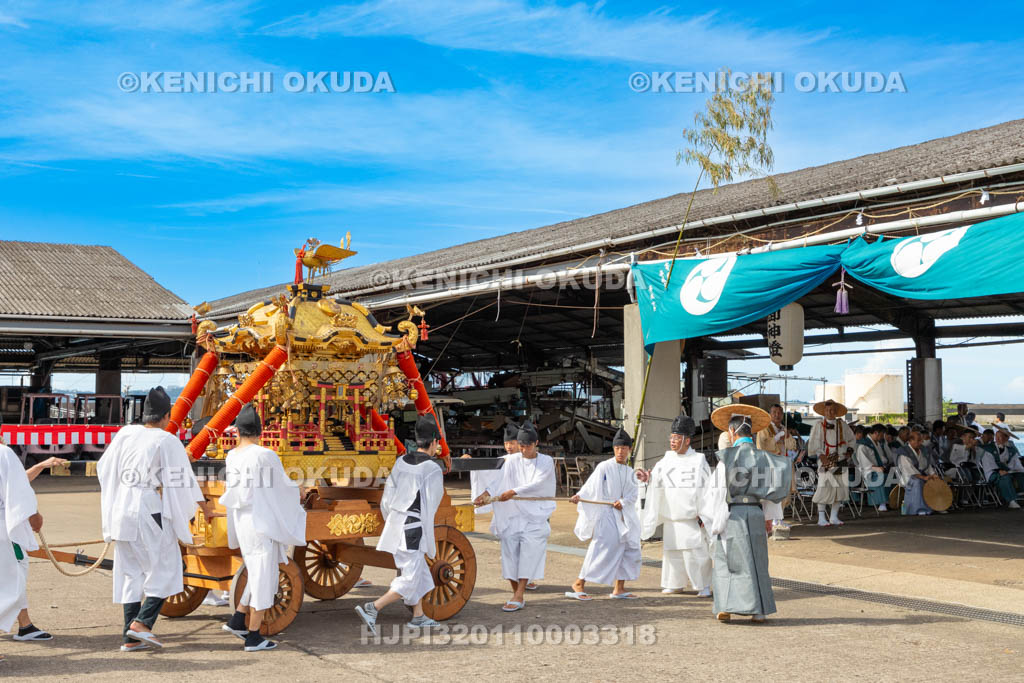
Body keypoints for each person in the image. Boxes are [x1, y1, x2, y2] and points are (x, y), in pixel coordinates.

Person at [97, 387, 211, 652]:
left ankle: (129, 637)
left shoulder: (126, 433)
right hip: (147, 506)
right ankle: (142, 623)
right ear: (167, 416)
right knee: (166, 565)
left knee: (131, 572)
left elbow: (103, 467)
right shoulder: (166, 439)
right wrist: (203, 507)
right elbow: (182, 481)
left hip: (121, 506)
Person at [219, 404, 306, 651]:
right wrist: (298, 490)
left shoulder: (232, 455)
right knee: (263, 576)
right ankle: (254, 635)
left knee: (257, 571)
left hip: (243, 521)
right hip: (260, 522)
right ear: (260, 431)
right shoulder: (264, 455)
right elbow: (281, 486)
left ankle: (238, 619)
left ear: (237, 432)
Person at [356, 415, 446, 634]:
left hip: (396, 523)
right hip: (413, 528)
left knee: (419, 572)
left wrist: (392, 521)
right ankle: (373, 607)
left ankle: (419, 616)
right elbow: (431, 505)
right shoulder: (432, 469)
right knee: (411, 576)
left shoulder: (401, 461)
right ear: (434, 442)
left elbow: (387, 498)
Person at [706, 405, 791, 623]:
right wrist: (770, 518)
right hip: (755, 512)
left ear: (732, 433)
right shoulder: (765, 458)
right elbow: (771, 494)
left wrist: (715, 521)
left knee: (729, 561)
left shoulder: (727, 459)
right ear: (751, 433)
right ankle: (759, 610)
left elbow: (717, 493)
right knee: (756, 561)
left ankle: (725, 606)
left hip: (732, 513)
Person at [473, 421, 555, 612]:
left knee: (529, 553)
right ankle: (516, 592)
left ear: (536, 443)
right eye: (521, 446)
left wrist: (513, 491)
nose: (523, 450)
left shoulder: (546, 461)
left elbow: (538, 483)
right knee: (509, 553)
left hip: (535, 514)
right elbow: (497, 481)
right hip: (513, 514)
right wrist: (485, 494)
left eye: (527, 446)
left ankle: (519, 595)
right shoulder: (511, 460)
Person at [638, 414, 714, 597]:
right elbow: (656, 478)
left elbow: (707, 488)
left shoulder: (698, 460)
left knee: (695, 554)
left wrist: (704, 513)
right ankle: (674, 583)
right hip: (672, 516)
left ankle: (703, 585)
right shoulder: (666, 459)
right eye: (671, 437)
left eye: (677, 438)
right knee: (672, 553)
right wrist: (648, 478)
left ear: (687, 440)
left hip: (691, 516)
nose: (672, 441)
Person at [1, 446, 66, 654]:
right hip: (4, 530)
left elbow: (15, 483)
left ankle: (25, 625)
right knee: (12, 577)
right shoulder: (3, 453)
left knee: (13, 576)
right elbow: (19, 492)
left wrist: (40, 465)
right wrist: (34, 516)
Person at [566, 428, 641, 600]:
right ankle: (579, 582)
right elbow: (591, 487)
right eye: (617, 448)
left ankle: (619, 588)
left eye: (623, 448)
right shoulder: (604, 467)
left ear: (629, 449)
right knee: (601, 547)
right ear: (613, 449)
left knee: (630, 548)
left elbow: (633, 494)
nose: (620, 451)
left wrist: (622, 502)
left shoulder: (630, 472)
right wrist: (580, 496)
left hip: (625, 515)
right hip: (607, 514)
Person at [465, 422, 540, 592]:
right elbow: (493, 477)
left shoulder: (537, 460)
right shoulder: (505, 461)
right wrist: (472, 463)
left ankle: (525, 580)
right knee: (512, 547)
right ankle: (518, 586)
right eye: (506, 443)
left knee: (529, 546)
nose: (509, 446)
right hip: (509, 509)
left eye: (512, 443)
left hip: (530, 509)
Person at [808, 399, 855, 527]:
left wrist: (849, 452)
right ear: (824, 411)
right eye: (827, 410)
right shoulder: (818, 425)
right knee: (824, 487)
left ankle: (834, 517)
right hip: (826, 459)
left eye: (832, 410)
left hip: (841, 459)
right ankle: (821, 518)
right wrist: (821, 456)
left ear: (836, 412)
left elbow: (851, 439)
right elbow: (814, 443)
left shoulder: (842, 425)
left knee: (840, 488)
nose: (830, 412)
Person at [755, 404, 797, 530]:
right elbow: (762, 445)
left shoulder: (784, 428)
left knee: (784, 494)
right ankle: (771, 519)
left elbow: (792, 446)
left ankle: (779, 519)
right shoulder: (764, 428)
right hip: (770, 465)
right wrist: (777, 437)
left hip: (783, 464)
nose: (777, 415)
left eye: (779, 413)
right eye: (774, 412)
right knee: (772, 493)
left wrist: (787, 436)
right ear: (769, 414)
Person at [896, 428, 940, 515]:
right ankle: (919, 509)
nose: (921, 443)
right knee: (918, 482)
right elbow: (909, 470)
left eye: (921, 440)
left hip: (922, 475)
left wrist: (933, 474)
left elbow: (927, 466)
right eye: (918, 441)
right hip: (909, 478)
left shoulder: (922, 450)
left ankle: (937, 506)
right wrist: (924, 477)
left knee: (936, 480)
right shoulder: (904, 452)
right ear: (911, 440)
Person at [980, 428, 1024, 509]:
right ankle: (1011, 500)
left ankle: (1021, 494)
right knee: (1005, 478)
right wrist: (999, 470)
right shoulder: (988, 448)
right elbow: (988, 463)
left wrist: (1014, 470)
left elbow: (1016, 464)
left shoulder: (1011, 449)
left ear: (1007, 438)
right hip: (992, 472)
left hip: (1008, 471)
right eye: (996, 437)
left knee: (1021, 475)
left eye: (1000, 437)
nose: (997, 439)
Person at [855, 424, 890, 512]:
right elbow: (864, 463)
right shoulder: (863, 445)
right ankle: (881, 503)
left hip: (880, 468)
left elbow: (882, 458)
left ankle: (890, 501)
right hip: (869, 471)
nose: (882, 437)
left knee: (891, 476)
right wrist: (877, 468)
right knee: (880, 476)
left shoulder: (877, 443)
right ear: (876, 433)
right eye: (881, 435)